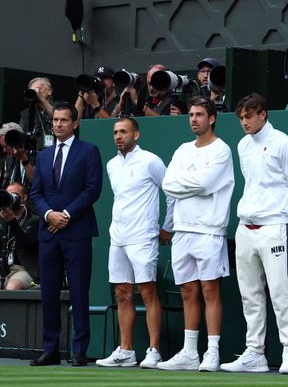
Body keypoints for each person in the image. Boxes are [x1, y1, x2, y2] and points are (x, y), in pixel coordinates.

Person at [218, 94, 288, 375]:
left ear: (263, 114)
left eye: (249, 116)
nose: (244, 122)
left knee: (280, 291)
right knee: (250, 294)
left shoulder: (284, 143)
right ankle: (255, 352)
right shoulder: (243, 145)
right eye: (241, 117)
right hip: (246, 227)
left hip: (275, 227)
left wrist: (286, 218)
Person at [157, 97, 234, 372]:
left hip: (209, 231)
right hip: (182, 230)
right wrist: (192, 185)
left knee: (210, 290)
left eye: (199, 114)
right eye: (191, 114)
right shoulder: (181, 150)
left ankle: (212, 351)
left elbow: (206, 183)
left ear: (211, 118)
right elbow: (168, 183)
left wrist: (186, 184)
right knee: (188, 291)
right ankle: (190, 352)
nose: (193, 119)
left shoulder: (221, 150)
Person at [28, 102, 103, 367]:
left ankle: (79, 351)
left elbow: (93, 189)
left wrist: (67, 215)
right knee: (48, 292)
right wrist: (50, 215)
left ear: (75, 124)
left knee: (79, 291)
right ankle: (50, 350)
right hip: (49, 233)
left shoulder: (89, 151)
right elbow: (35, 193)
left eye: (63, 120)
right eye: (55, 120)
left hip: (78, 232)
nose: (58, 124)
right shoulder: (44, 155)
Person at [94, 116, 167, 369]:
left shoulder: (151, 161)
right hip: (119, 237)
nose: (118, 136)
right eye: (115, 132)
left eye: (123, 131)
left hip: (143, 237)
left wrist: (166, 226)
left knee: (147, 292)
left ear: (136, 135)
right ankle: (126, 351)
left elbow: (170, 192)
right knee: (122, 293)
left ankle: (154, 350)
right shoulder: (112, 165)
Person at [0, 181, 39, 290]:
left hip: (24, 269)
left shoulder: (34, 221)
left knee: (12, 287)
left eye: (15, 195)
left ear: (25, 197)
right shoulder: (2, 218)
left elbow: (27, 245)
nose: (11, 199)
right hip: (4, 268)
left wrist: (12, 221)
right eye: (9, 196)